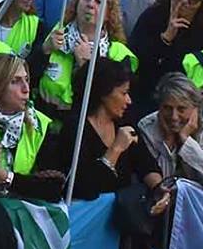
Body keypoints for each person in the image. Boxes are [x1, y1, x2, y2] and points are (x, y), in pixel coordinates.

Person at [34, 55, 158, 200]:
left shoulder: (125, 123)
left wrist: (158, 189)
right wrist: (115, 150)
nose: (129, 100)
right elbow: (85, 187)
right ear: (104, 93)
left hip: (124, 214)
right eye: (124, 93)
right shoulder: (76, 129)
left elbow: (148, 166)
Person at [31, 0, 134, 119]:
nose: (90, 5)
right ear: (76, 4)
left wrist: (84, 66)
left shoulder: (118, 54)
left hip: (82, 131)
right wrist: (44, 51)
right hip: (44, 125)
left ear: (109, 14)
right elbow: (28, 79)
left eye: (98, 2)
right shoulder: (54, 34)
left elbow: (107, 103)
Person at [0, 53, 57, 202]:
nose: (26, 88)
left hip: (23, 212)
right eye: (15, 81)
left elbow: (52, 188)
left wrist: (4, 176)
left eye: (26, 80)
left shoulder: (40, 124)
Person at [127, 0, 203, 108]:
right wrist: (166, 38)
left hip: (188, 100)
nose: (184, 2)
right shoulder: (152, 16)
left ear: (201, 3)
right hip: (149, 95)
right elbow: (137, 62)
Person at [137, 71, 203, 191]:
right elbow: (164, 183)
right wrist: (168, 141)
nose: (174, 116)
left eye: (181, 109)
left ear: (194, 109)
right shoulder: (147, 127)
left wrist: (185, 139)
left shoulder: (200, 125)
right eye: (167, 108)